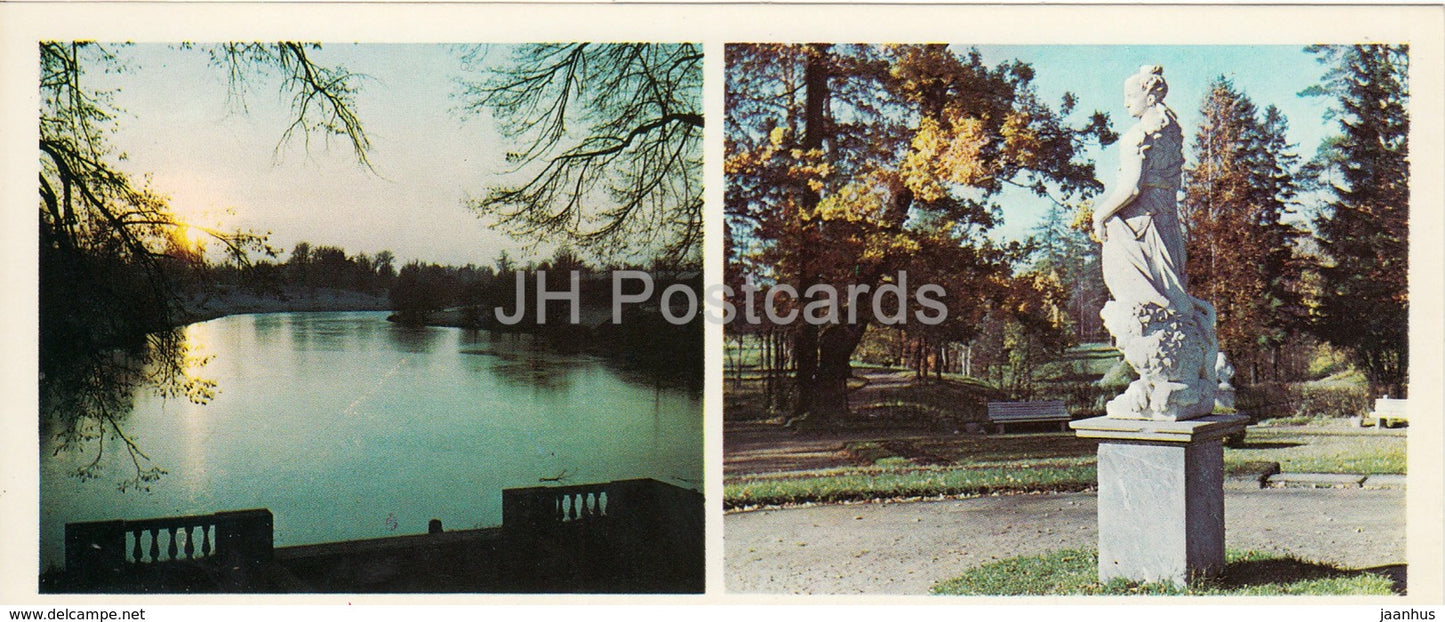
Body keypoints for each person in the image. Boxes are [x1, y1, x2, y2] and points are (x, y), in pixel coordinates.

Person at [1092, 65, 1189, 311]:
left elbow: (1131, 189)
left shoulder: (1137, 136)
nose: (1125, 103)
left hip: (1143, 226)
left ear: (1150, 98)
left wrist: (1099, 215)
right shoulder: (1172, 133)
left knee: (1145, 303)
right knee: (1176, 298)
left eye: (1130, 96)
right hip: (1168, 224)